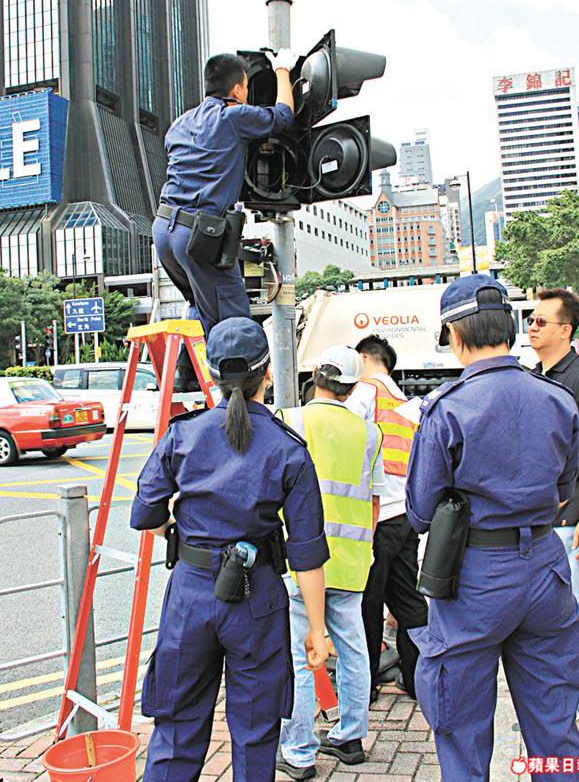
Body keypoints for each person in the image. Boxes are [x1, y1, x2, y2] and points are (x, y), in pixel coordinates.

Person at [406, 274, 579, 782]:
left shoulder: (448, 407)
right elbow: (563, 489)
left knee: (462, 732)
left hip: (473, 578)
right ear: (509, 327)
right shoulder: (556, 397)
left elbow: (420, 512)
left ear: (455, 335)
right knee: (556, 728)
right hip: (546, 571)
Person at [130, 317, 329, 782]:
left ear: (213, 375)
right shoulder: (288, 448)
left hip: (190, 594)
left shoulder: (183, 434)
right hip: (258, 599)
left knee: (175, 728)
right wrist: (318, 630)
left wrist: (178, 533)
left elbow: (145, 514)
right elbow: (306, 553)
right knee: (256, 732)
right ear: (268, 375)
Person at [152, 49, 297, 385]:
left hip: (164, 230)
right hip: (199, 235)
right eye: (246, 88)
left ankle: (186, 374)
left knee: (198, 298)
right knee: (234, 321)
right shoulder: (232, 117)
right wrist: (282, 69)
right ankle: (240, 398)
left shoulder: (180, 124)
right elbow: (283, 116)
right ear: (236, 90)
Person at [276, 346, 385, 780]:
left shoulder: (291, 420)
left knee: (302, 653)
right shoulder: (370, 433)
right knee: (354, 650)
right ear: (353, 387)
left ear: (315, 378)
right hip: (353, 559)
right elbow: (373, 501)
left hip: (303, 560)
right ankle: (350, 737)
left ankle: (299, 752)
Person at [345, 334, 428, 702]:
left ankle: (365, 687)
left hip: (376, 518)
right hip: (405, 515)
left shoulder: (365, 393)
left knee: (368, 603)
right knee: (409, 600)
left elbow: (344, 437)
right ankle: (417, 679)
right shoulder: (406, 403)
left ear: (364, 358)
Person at [529, 287, 579, 718]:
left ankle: (574, 696)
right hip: (548, 514)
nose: (532, 327)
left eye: (541, 321)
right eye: (531, 320)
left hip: (575, 515)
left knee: (574, 607)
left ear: (566, 330)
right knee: (575, 604)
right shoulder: (537, 376)